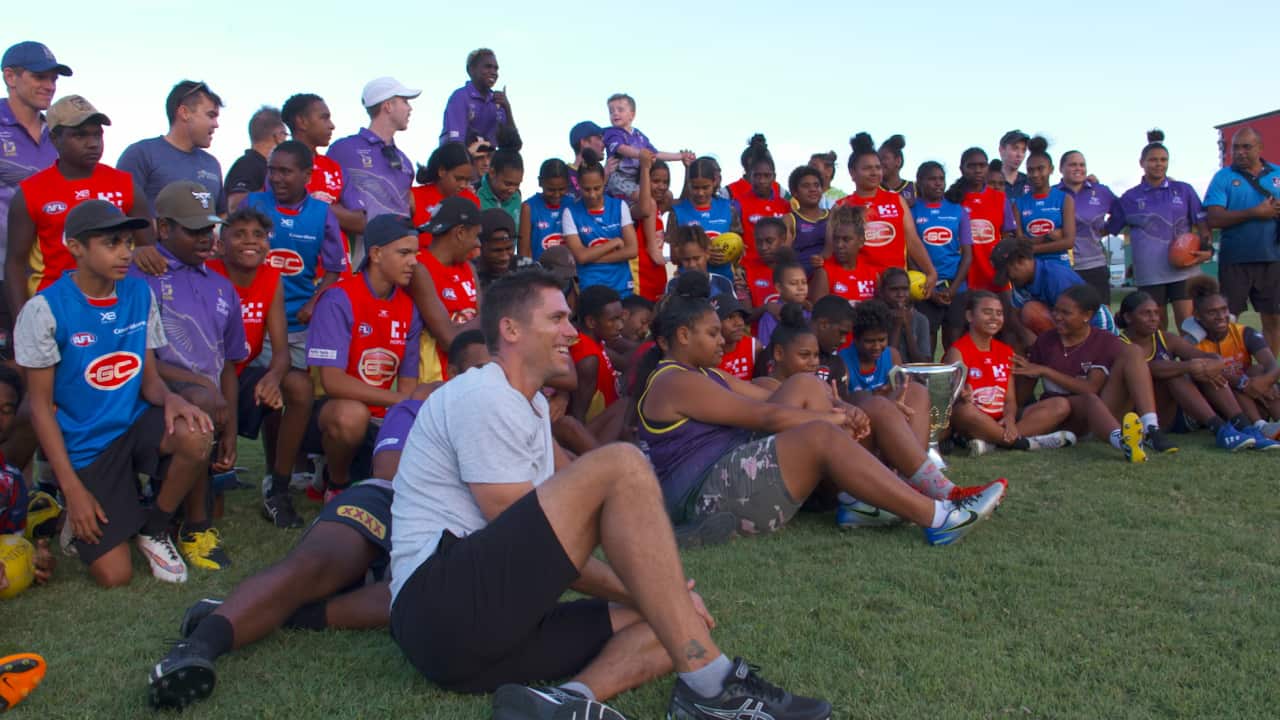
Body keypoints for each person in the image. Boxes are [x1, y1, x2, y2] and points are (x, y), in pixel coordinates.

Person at [389, 269, 831, 720]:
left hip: (491, 629)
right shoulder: (483, 393)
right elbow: (518, 522)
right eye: (558, 319)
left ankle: (571, 700)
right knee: (623, 464)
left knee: (676, 625)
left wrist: (663, 597)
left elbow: (573, 503)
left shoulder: (534, 405)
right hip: (440, 610)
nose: (570, 331)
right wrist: (649, 589)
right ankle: (713, 686)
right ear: (511, 329)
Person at [146, 335, 491, 710]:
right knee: (313, 566)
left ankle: (274, 612)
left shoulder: (514, 421)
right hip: (389, 501)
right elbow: (391, 473)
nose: (485, 384)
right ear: (453, 374)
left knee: (419, 596)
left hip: (451, 535)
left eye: (494, 374)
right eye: (477, 371)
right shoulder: (418, 408)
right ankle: (193, 650)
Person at [635, 273, 1006, 543]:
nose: (723, 340)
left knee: (802, 385)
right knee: (819, 433)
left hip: (727, 479)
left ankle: (928, 493)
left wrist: (843, 405)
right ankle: (938, 517)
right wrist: (833, 417)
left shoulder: (703, 374)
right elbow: (763, 416)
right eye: (712, 333)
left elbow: (768, 395)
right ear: (683, 336)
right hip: (708, 499)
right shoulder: (673, 380)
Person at [14, 200, 213, 587]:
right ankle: (74, 515)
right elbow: (40, 409)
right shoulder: (44, 310)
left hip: (134, 424)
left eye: (127, 241)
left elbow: (150, 381)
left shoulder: (139, 295)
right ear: (76, 247)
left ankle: (154, 529)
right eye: (111, 243)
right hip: (86, 445)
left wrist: (174, 399)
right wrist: (72, 490)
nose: (126, 252)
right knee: (114, 575)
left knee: (196, 432)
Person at [131, 180, 248, 572]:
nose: (205, 238)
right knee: (202, 404)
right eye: (193, 229)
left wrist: (229, 424)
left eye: (209, 228)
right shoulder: (140, 275)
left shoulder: (221, 285)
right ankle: (188, 528)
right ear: (163, 229)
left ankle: (187, 520)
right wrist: (202, 391)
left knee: (208, 412)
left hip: (209, 403)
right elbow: (136, 357)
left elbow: (229, 362)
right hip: (150, 399)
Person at [206, 207, 314, 528]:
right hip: (205, 383)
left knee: (299, 386)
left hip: (240, 376)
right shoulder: (208, 273)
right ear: (221, 243)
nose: (250, 241)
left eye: (258, 235)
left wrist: (272, 377)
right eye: (239, 234)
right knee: (213, 511)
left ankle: (277, 487)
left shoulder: (270, 277)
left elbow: (280, 351)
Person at [305, 214, 422, 495]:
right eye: (404, 253)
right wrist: (400, 401)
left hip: (382, 414)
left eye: (415, 253)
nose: (414, 262)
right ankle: (336, 483)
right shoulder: (338, 298)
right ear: (376, 254)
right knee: (351, 415)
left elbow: (408, 383)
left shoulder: (409, 307)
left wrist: (404, 409)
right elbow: (332, 382)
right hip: (331, 412)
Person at [6, 95, 150, 319]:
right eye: (80, 135)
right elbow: (15, 264)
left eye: (97, 134)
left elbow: (149, 248)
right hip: (55, 310)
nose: (93, 143)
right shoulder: (30, 193)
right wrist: (21, 324)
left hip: (115, 309)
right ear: (55, 138)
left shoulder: (125, 184)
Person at [1012, 284, 1174, 462]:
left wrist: (1046, 371)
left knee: (1133, 352)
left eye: (1065, 313)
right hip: (1062, 414)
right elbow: (1023, 393)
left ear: (1087, 316)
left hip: (1102, 410)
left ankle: (1150, 427)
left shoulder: (1103, 341)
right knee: (1078, 402)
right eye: (1055, 311)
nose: (1057, 317)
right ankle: (1123, 442)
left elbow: (1091, 388)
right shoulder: (1045, 341)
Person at [1117, 289, 1274, 451]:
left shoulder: (1165, 338)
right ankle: (1220, 430)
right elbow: (1147, 369)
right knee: (1176, 374)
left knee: (1204, 371)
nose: (1154, 318)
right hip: (1148, 416)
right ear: (1128, 317)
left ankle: (1246, 427)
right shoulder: (1119, 344)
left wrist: (1214, 364)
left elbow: (1206, 357)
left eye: (1156, 313)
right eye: (1146, 314)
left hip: (1183, 412)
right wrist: (1189, 366)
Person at [243, 141, 348, 368]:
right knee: (253, 389)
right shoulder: (252, 204)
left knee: (298, 389)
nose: (276, 178)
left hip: (298, 324)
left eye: (286, 171)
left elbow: (335, 269)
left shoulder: (322, 214)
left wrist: (313, 304)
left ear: (307, 175)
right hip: (255, 320)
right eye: (272, 170)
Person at [943, 291, 1077, 456]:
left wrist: (1010, 419)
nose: (994, 318)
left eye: (999, 313)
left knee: (1060, 405)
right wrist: (962, 395)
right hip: (975, 419)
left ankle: (992, 442)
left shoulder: (1005, 351)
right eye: (987, 312)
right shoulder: (957, 351)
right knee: (965, 410)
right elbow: (951, 400)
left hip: (1002, 418)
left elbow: (1010, 399)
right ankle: (1023, 443)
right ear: (970, 316)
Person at [1106, 130, 1211, 331]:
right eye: (1153, 160)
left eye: (1163, 159)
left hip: (1184, 270)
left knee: (1189, 326)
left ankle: (1190, 362)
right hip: (1150, 273)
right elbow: (1109, 228)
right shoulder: (1129, 198)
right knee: (1156, 329)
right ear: (1142, 163)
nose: (1159, 164)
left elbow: (1203, 224)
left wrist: (1206, 249)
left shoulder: (1183, 190)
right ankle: (1163, 362)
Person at [1, 41, 70, 336]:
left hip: (52, 275)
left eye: (53, 78)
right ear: (10, 77)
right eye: (40, 77)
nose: (50, 85)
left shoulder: (61, 134)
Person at [1204, 126, 1280, 354]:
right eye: (1235, 147)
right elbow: (1214, 218)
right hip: (1235, 260)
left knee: (1274, 319)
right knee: (1225, 320)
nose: (1239, 152)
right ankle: (1229, 374)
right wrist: (1255, 212)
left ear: (1260, 148)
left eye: (1246, 147)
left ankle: (1270, 375)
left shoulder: (1277, 174)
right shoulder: (1223, 177)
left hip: (1273, 258)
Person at [835, 133, 936, 290]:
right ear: (852, 172)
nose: (874, 173)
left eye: (878, 167)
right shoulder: (842, 205)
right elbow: (832, 249)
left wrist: (930, 272)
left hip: (895, 286)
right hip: (858, 286)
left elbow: (912, 240)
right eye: (867, 168)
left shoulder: (896, 200)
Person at [1182, 276, 1280, 434]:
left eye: (1224, 309)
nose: (1221, 316)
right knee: (1222, 379)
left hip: (1251, 397)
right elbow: (1205, 374)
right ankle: (1259, 426)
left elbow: (1272, 366)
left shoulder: (1243, 332)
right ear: (1197, 316)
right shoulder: (1190, 341)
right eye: (1212, 312)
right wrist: (1244, 383)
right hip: (1219, 403)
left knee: (1259, 371)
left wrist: (1264, 382)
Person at [944, 147, 1022, 342]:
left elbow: (1009, 238)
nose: (978, 170)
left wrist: (1005, 269)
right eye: (972, 166)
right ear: (962, 169)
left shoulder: (999, 198)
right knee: (961, 334)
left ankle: (1005, 371)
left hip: (996, 277)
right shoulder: (953, 200)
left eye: (982, 165)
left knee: (1008, 329)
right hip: (966, 278)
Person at [117, 80, 225, 215]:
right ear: (184, 112)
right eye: (211, 115)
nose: (216, 124)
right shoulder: (141, 154)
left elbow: (221, 215)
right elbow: (122, 212)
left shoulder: (212, 164)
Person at [409, 197, 482, 383]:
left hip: (471, 376)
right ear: (460, 232)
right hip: (434, 380)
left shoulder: (469, 268)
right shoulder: (419, 268)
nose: (478, 244)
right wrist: (496, 311)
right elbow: (448, 340)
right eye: (475, 235)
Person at [990, 238, 1117, 345]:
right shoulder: (1020, 280)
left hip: (1094, 325)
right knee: (1020, 324)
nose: (1009, 278)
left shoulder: (1056, 278)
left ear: (1022, 261)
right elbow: (1014, 314)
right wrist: (1029, 341)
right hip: (1067, 325)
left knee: (1032, 312)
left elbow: (1075, 317)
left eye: (1008, 272)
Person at [326, 77, 418, 223]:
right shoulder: (343, 149)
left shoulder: (405, 162)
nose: (410, 108)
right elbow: (324, 200)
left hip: (399, 242)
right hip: (357, 243)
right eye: (405, 101)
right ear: (388, 106)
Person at [280, 92, 365, 237]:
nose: (332, 126)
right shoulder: (275, 166)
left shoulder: (335, 169)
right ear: (302, 122)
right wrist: (336, 210)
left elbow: (361, 222)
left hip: (332, 259)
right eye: (324, 118)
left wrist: (313, 205)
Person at [912, 161, 972, 350]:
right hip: (926, 289)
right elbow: (910, 256)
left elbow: (968, 254)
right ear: (919, 182)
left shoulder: (958, 210)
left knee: (954, 346)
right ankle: (924, 381)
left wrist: (953, 290)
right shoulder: (911, 211)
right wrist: (930, 291)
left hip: (956, 288)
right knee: (926, 347)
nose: (938, 183)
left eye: (941, 179)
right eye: (932, 179)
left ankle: (955, 381)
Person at [563, 156, 637, 296]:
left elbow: (632, 251)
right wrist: (614, 243)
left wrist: (590, 256)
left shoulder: (620, 206)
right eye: (586, 189)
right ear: (578, 184)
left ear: (604, 181)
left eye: (597, 188)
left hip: (622, 286)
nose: (592, 195)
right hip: (591, 288)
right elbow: (580, 257)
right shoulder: (570, 212)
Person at [601, 93, 692, 202]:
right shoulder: (612, 133)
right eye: (611, 111)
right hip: (620, 178)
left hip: (637, 179)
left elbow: (655, 154)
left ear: (632, 115)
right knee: (643, 197)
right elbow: (621, 148)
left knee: (667, 195)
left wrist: (680, 156)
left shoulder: (639, 136)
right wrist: (641, 155)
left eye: (620, 110)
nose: (615, 113)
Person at [1057, 149, 1117, 300]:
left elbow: (1122, 212)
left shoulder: (1101, 191)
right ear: (1061, 169)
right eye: (1073, 165)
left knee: (1101, 315)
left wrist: (1107, 230)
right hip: (1063, 266)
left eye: (1082, 165)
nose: (1078, 168)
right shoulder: (1053, 194)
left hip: (1094, 264)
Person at [730, 136, 792, 278]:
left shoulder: (785, 205)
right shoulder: (737, 204)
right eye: (757, 176)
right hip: (748, 270)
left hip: (779, 271)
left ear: (774, 177)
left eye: (766, 175)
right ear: (749, 176)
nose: (762, 180)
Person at [1013, 136, 1075, 268]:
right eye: (1030, 170)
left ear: (1051, 169)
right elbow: (1020, 244)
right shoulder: (1019, 204)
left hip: (1060, 267)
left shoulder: (1065, 199)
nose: (1035, 174)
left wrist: (1033, 247)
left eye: (1040, 168)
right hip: (1030, 271)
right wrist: (1047, 237)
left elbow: (1069, 242)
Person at [570, 285, 625, 426]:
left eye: (620, 318)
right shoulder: (588, 360)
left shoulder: (593, 341)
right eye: (612, 320)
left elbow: (626, 363)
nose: (620, 326)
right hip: (598, 432)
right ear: (591, 322)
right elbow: (578, 414)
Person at [411, 141, 481, 249]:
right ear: (442, 171)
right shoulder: (414, 197)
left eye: (468, 180)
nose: (463, 185)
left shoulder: (471, 201)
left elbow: (475, 246)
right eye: (458, 178)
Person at [440, 49, 513, 146]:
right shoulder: (460, 97)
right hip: (458, 157)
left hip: (486, 159)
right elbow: (456, 144)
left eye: (496, 69)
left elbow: (513, 144)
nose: (493, 72)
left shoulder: (497, 102)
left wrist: (507, 109)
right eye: (488, 67)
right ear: (471, 70)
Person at [809, 205, 879, 305]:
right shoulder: (824, 272)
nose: (839, 245)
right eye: (836, 239)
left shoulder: (872, 274)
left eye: (846, 240)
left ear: (861, 241)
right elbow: (819, 315)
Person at [223, 106, 285, 212]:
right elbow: (235, 205)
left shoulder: (261, 165)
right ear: (278, 136)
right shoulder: (246, 165)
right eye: (285, 135)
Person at [635, 153, 672, 302]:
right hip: (641, 271)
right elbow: (653, 250)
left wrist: (687, 169)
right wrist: (645, 167)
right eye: (656, 181)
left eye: (666, 182)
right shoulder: (640, 205)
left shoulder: (658, 205)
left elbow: (681, 201)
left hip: (656, 269)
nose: (662, 186)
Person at [520, 158, 571, 260]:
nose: (556, 195)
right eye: (551, 190)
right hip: (539, 273)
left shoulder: (573, 205)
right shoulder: (528, 207)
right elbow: (524, 252)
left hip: (568, 272)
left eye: (561, 189)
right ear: (540, 182)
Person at [755, 252, 808, 348]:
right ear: (779, 287)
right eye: (793, 283)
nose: (801, 288)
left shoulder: (809, 312)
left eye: (804, 282)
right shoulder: (770, 317)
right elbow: (767, 352)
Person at [879, 267, 932, 363]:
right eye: (894, 289)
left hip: (912, 374)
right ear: (882, 292)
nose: (900, 294)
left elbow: (924, 363)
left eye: (905, 289)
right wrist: (897, 325)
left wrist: (907, 327)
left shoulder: (920, 319)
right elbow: (886, 362)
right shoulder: (877, 317)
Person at [667, 225, 736, 299]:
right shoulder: (673, 285)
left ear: (707, 253)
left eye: (696, 258)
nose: (692, 265)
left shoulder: (722, 283)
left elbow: (732, 310)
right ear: (680, 258)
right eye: (686, 260)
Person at [785, 165, 829, 272]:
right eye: (806, 186)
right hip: (802, 277)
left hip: (830, 274)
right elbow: (785, 258)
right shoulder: (789, 220)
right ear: (794, 192)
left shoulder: (833, 216)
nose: (813, 189)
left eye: (816, 185)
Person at [475, 207, 530, 291]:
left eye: (509, 248)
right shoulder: (470, 273)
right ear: (480, 246)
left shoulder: (528, 268)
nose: (505, 257)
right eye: (497, 250)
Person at [810, 295, 855, 388]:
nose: (844, 340)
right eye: (842, 333)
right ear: (823, 324)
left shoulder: (836, 363)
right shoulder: (788, 347)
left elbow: (840, 400)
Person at [714, 294, 757, 381]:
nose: (739, 323)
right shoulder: (706, 355)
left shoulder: (754, 347)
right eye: (730, 317)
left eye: (740, 316)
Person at [478, 147, 523, 224]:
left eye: (517, 184)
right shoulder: (476, 195)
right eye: (508, 184)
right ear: (492, 173)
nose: (512, 190)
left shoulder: (517, 198)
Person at [567, 121, 604, 200]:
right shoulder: (564, 174)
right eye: (599, 138)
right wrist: (605, 178)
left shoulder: (606, 172)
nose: (604, 144)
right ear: (584, 142)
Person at [878, 134, 915, 206]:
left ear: (898, 161)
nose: (879, 163)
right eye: (878, 159)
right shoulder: (872, 190)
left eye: (884, 158)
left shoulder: (914, 188)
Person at [998, 129, 1030, 198]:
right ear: (1001, 150)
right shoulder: (989, 181)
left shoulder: (1030, 182)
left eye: (1023, 150)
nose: (1019, 155)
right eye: (1015, 148)